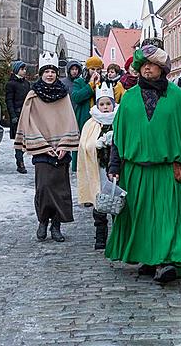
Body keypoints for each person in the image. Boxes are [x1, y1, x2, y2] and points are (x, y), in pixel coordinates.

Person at [105, 44, 181, 284]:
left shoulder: (177, 97)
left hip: (167, 170)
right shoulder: (128, 99)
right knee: (141, 217)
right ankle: (148, 257)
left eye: (153, 65)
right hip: (135, 170)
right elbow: (119, 135)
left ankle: (167, 260)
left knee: (168, 217)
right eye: (143, 65)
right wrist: (114, 166)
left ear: (162, 69)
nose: (147, 69)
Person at [15, 52, 80, 243]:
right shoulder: (33, 95)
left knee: (60, 188)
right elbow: (29, 121)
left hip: (60, 150)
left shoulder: (63, 94)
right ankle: (43, 220)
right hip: (42, 149)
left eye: (52, 71)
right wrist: (43, 146)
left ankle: (57, 225)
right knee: (43, 187)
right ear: (41, 74)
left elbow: (69, 119)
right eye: (47, 71)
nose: (50, 75)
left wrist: (64, 146)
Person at [76, 84, 117, 251]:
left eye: (108, 104)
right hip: (98, 169)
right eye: (102, 104)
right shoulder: (91, 123)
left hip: (115, 170)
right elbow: (85, 145)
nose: (105, 108)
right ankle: (101, 235)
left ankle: (117, 237)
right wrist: (98, 144)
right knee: (99, 203)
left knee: (116, 202)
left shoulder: (119, 119)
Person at [68, 60, 94, 172]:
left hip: (96, 118)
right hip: (82, 116)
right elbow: (76, 97)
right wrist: (90, 86)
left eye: (98, 69)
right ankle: (78, 167)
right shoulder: (79, 82)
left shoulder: (103, 82)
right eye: (93, 69)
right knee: (80, 143)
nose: (95, 72)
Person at [5, 60, 31, 174]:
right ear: (16, 70)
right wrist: (13, 116)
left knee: (27, 138)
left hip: (27, 114)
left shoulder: (26, 83)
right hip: (17, 115)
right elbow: (9, 100)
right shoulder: (11, 84)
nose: (24, 71)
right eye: (22, 69)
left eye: (25, 69)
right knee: (19, 140)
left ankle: (23, 158)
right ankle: (20, 163)